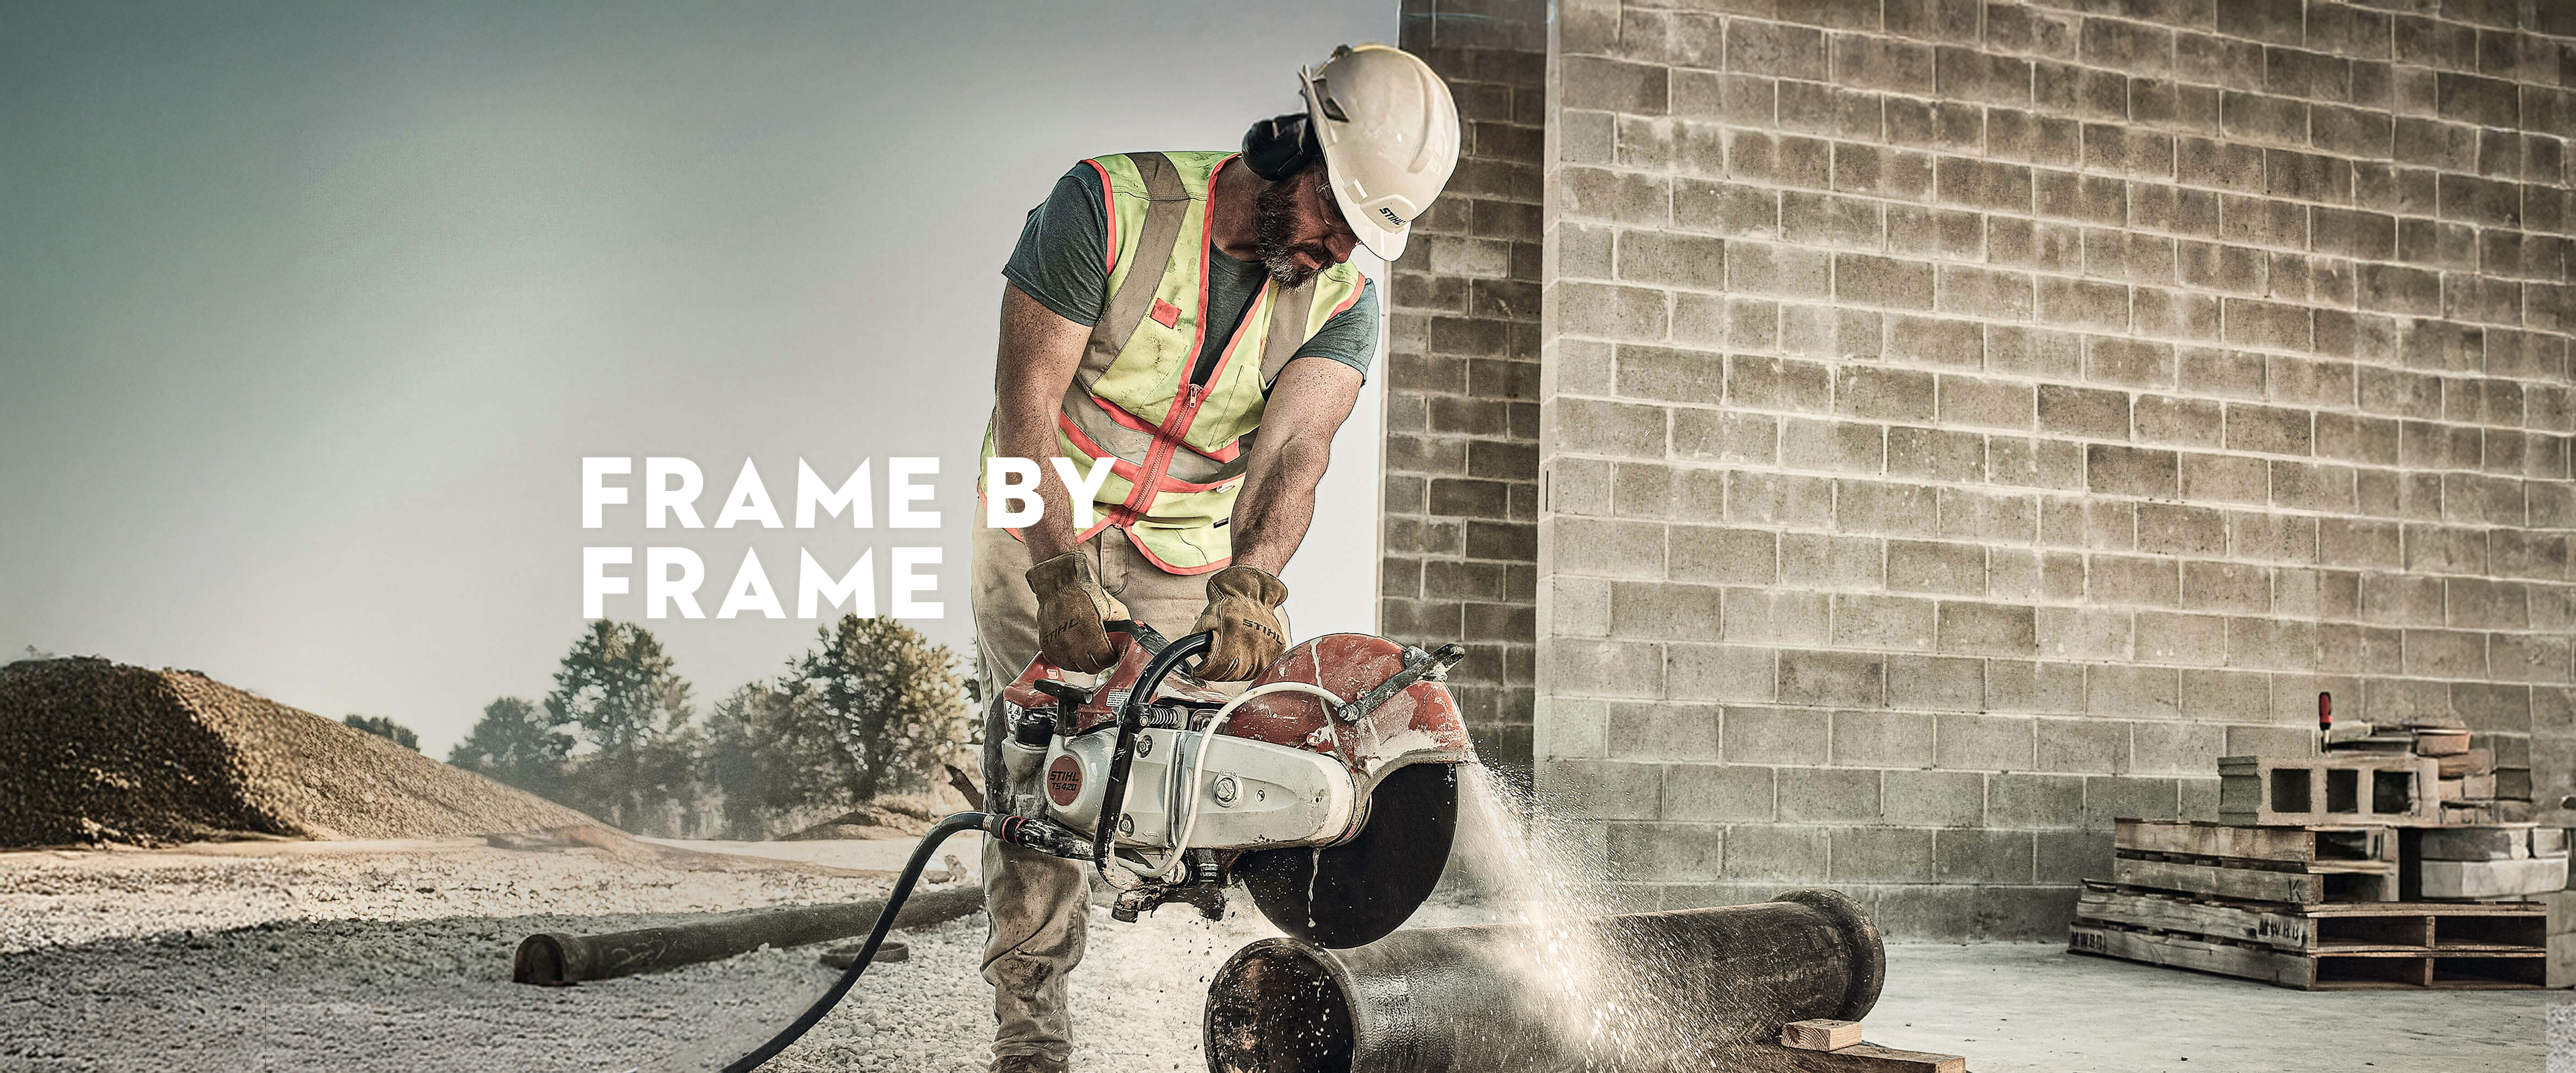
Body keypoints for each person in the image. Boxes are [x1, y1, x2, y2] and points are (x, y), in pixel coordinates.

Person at [967, 43, 1460, 1073]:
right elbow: (1026, 417)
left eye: (1367, 236)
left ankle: (1224, 1008)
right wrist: (1059, 573)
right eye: (1337, 216)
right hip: (1043, 514)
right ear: (1290, 148)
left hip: (1185, 548)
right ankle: (1031, 1036)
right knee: (1045, 769)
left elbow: (1296, 451)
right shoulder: (1105, 205)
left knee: (1192, 764)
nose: (1340, 249)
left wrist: (1254, 584)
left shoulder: (1342, 301)